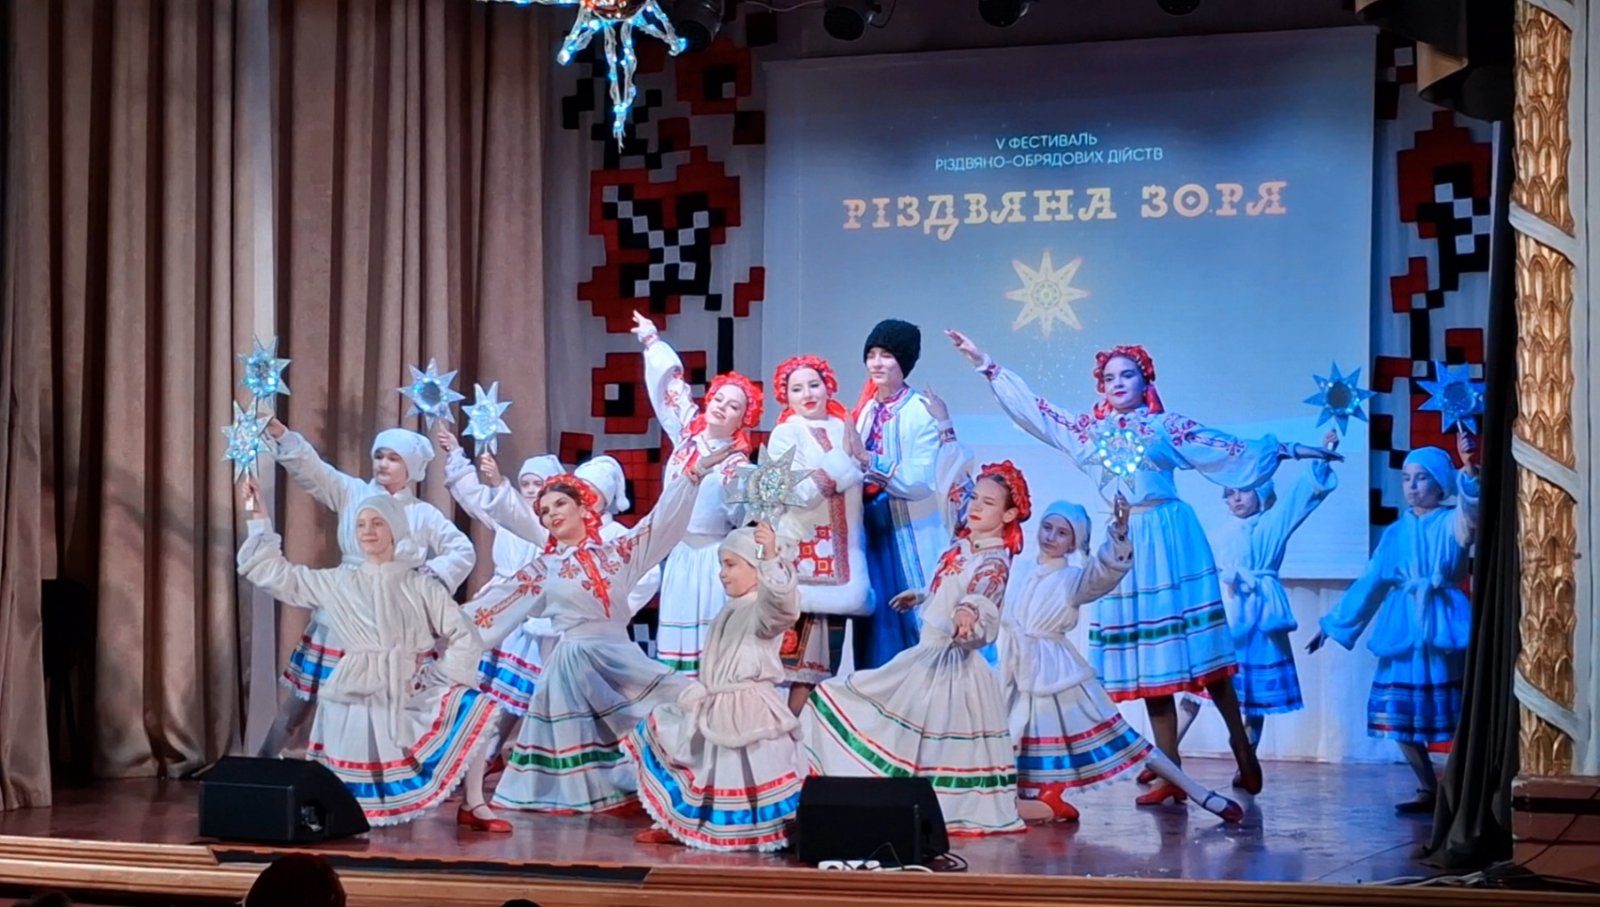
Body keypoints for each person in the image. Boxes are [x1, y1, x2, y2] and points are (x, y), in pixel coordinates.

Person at [947, 330, 1341, 804]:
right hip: (1126, 540)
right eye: (1110, 377)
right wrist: (987, 365)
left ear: (1145, 381)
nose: (1118, 383)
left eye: (1128, 375)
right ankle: (1172, 770)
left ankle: (1241, 746)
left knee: (1201, 652)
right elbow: (1039, 412)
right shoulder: (1089, 434)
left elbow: (1225, 448)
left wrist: (1293, 449)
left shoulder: (1164, 427)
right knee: (1152, 662)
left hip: (1171, 538)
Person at [460, 452, 729, 814]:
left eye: (560, 503)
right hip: (573, 664)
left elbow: (660, 523)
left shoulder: (618, 553)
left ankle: (679, 790)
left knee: (685, 700)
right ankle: (603, 798)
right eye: (544, 511)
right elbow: (492, 608)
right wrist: (432, 623)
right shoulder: (545, 569)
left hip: (619, 656)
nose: (551, 513)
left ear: (583, 506)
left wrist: (693, 475)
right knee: (578, 748)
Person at [802, 413, 1028, 837]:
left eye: (988, 503)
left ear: (1009, 514)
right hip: (931, 659)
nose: (975, 507)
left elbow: (982, 592)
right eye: (975, 499)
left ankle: (932, 815)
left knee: (925, 740)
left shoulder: (993, 559)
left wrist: (968, 613)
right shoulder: (966, 545)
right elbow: (954, 487)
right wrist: (924, 595)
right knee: (903, 734)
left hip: (951, 669)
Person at [235, 477, 502, 831]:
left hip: (402, 690)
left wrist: (437, 677)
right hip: (353, 689)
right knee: (347, 793)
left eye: (377, 523)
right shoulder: (339, 582)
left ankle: (474, 802)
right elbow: (277, 574)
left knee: (475, 706)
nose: (368, 531)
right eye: (361, 524)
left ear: (394, 529)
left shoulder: (420, 585)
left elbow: (464, 635)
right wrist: (257, 514)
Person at [1000, 496, 1243, 824]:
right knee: (1013, 739)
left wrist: (1118, 534)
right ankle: (1045, 798)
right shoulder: (1022, 571)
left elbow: (1102, 573)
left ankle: (1198, 792)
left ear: (1074, 543)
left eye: (1062, 532)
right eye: (1047, 527)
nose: (1051, 537)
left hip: (1057, 673)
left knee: (1124, 741)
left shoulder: (1072, 579)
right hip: (1018, 671)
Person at [258, 419, 476, 759]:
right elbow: (314, 471)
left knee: (385, 709)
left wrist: (430, 579)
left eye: (393, 458)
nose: (383, 464)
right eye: (379, 456)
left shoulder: (423, 514)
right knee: (300, 705)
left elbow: (462, 550)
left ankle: (371, 775)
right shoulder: (354, 492)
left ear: (410, 467)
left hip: (391, 621)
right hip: (345, 610)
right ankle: (261, 766)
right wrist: (282, 435)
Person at [1154, 430, 1341, 781]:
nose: (1235, 497)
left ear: (1260, 490)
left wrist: (1321, 458)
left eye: (1243, 489)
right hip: (1225, 617)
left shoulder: (1271, 524)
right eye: (1230, 492)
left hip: (1261, 618)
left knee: (1255, 698)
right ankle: (1164, 757)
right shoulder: (1218, 534)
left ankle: (1247, 760)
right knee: (1196, 693)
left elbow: (1300, 500)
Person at [1308, 434, 1479, 814]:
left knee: (1454, 711)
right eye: (1406, 478)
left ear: (1441, 483)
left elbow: (1471, 517)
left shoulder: (1451, 521)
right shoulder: (1396, 532)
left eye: (1422, 477)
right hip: (1403, 625)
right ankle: (1427, 786)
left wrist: (1468, 468)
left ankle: (1461, 788)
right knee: (1400, 715)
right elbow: (1372, 581)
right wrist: (1333, 624)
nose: (1412, 486)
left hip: (1441, 622)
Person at [625, 521, 808, 851]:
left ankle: (771, 830)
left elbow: (783, 606)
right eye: (722, 565)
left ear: (756, 570)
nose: (723, 574)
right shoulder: (732, 607)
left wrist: (769, 557)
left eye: (731, 565)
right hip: (718, 701)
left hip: (749, 708)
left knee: (751, 769)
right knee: (708, 766)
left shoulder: (761, 609)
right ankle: (683, 823)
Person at [632, 312, 759, 677]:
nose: (722, 407)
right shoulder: (687, 433)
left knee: (708, 642)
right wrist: (652, 341)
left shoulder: (737, 463)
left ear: (743, 419)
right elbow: (672, 389)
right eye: (719, 398)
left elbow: (742, 519)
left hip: (711, 560)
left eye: (734, 406)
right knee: (676, 642)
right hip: (680, 555)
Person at [438, 432, 562, 750]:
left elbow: (515, 511)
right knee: (480, 682)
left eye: (538, 484)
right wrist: (456, 454)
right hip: (497, 604)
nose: (530, 490)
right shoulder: (507, 513)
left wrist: (498, 483)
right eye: (526, 484)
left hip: (527, 612)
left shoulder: (550, 526)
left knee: (512, 692)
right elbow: (475, 497)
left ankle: (494, 748)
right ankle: (468, 747)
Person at [765, 354, 871, 714]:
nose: (808, 394)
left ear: (828, 387)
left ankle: (805, 736)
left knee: (823, 669)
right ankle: (782, 734)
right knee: (795, 667)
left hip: (842, 566)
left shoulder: (843, 428)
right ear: (785, 396)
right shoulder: (785, 434)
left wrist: (858, 461)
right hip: (804, 561)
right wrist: (841, 464)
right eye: (797, 388)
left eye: (814, 385)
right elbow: (795, 492)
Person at [851, 318, 945, 670]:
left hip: (907, 529)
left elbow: (923, 479)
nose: (876, 363)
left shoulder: (920, 410)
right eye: (871, 354)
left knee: (910, 620)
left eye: (887, 355)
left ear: (903, 361)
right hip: (869, 529)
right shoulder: (865, 410)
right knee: (872, 620)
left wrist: (870, 461)